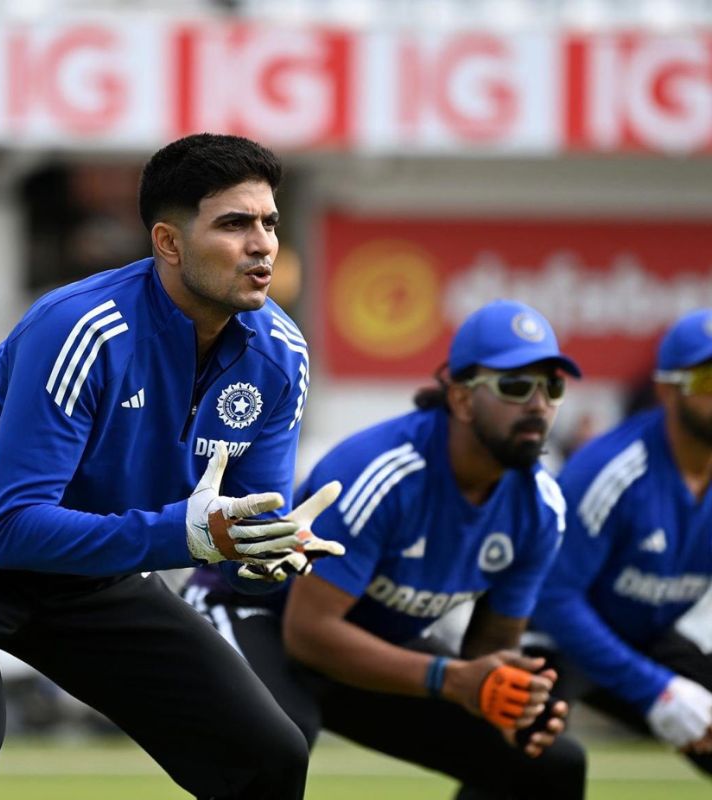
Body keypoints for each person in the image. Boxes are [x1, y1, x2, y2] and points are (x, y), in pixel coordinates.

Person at [0, 132, 342, 799]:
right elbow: (14, 530)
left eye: (269, 223)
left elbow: (239, 534)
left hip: (93, 570)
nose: (262, 244)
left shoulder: (281, 354)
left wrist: (264, 560)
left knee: (269, 755)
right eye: (234, 224)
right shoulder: (82, 327)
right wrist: (190, 537)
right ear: (169, 243)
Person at [183, 299, 589, 799]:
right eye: (514, 386)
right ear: (460, 398)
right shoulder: (383, 473)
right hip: (258, 613)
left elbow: (489, 653)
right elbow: (309, 634)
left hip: (363, 649)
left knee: (547, 761)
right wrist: (449, 677)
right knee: (279, 743)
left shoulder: (542, 507)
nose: (539, 404)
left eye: (552, 387)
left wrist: (511, 698)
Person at [530, 308, 712, 776]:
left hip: (644, 636)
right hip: (553, 641)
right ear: (667, 389)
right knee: (537, 764)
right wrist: (656, 689)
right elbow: (552, 596)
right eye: (707, 378)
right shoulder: (612, 470)